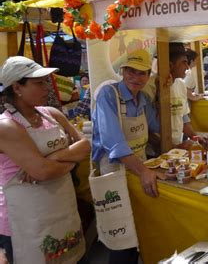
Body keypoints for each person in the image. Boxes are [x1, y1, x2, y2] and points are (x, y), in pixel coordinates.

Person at [0, 56, 90, 263]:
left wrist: (54, 157)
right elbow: (42, 171)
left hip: (60, 207)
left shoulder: (52, 114)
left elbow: (85, 145)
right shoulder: (6, 126)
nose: (47, 87)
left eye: (46, 81)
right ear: (17, 88)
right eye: (38, 83)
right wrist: (69, 159)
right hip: (24, 219)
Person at [92, 49, 160, 264]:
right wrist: (143, 171)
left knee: (138, 229)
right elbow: (114, 142)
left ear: (149, 75)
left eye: (142, 73)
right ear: (122, 71)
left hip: (138, 168)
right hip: (114, 171)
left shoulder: (144, 99)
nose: (135, 77)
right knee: (121, 235)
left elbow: (156, 126)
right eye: (130, 70)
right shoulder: (108, 95)